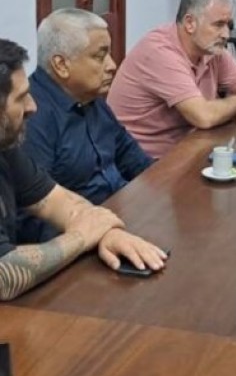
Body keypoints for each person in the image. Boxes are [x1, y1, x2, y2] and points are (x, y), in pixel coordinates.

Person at [0, 39, 167, 300]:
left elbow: (55, 201)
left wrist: (106, 231)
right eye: (21, 98)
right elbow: (4, 276)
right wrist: (81, 237)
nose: (33, 106)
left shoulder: (5, 147)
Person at [20, 9, 153, 242]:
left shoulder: (91, 99)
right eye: (100, 56)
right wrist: (98, 235)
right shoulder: (31, 118)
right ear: (61, 65)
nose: (112, 65)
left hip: (121, 218)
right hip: (80, 240)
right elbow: (33, 221)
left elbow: (137, 162)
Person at [107, 0, 236, 158]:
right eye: (218, 24)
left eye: (228, 25)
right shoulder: (161, 52)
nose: (226, 35)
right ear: (190, 23)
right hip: (142, 163)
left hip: (187, 148)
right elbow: (203, 117)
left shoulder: (211, 49)